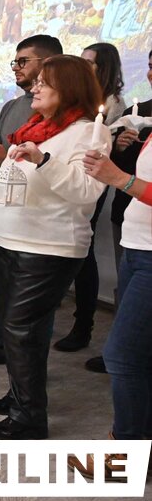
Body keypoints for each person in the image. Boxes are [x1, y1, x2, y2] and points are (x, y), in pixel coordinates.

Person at [0, 55, 109, 439]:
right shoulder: (35, 128)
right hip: (10, 239)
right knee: (16, 327)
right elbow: (6, 179)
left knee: (21, 327)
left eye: (44, 82)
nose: (35, 87)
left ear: (68, 88)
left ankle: (29, 417)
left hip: (50, 246)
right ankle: (20, 396)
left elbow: (87, 191)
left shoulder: (89, 133)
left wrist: (43, 160)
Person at [0, 34, 63, 367]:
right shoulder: (13, 107)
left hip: (38, 222)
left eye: (23, 61)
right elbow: (7, 163)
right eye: (14, 61)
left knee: (30, 306)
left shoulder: (68, 119)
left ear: (48, 64)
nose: (16, 68)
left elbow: (49, 168)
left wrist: (5, 158)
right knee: (0, 283)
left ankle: (25, 367)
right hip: (5, 208)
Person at [80, 128, 152, 472]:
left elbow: (133, 183)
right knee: (141, 355)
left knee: (121, 355)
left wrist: (120, 179)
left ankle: (124, 454)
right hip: (137, 248)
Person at [53, 42, 126, 353]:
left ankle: (83, 324)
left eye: (90, 62)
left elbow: (103, 144)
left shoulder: (112, 103)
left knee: (83, 248)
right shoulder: (77, 96)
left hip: (92, 179)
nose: (83, 66)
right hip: (68, 175)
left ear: (104, 68)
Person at [86, 48, 152, 375]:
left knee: (124, 355)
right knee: (127, 311)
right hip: (131, 225)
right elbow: (128, 168)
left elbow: (123, 177)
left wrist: (118, 176)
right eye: (150, 66)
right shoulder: (139, 112)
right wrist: (122, 149)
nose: (150, 74)